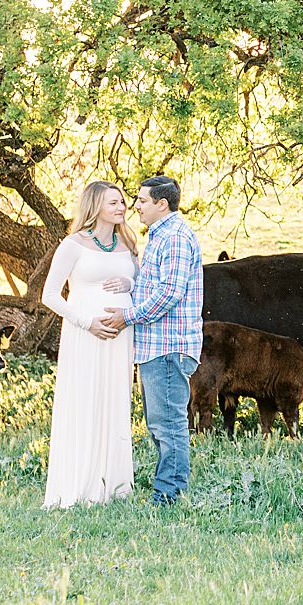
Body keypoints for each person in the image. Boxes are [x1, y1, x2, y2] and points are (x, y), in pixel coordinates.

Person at [92, 174, 203, 505]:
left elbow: (170, 292)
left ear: (161, 204)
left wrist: (127, 317)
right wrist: (131, 286)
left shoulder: (176, 238)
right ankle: (167, 490)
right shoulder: (161, 235)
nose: (134, 206)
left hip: (169, 346)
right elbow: (157, 283)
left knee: (168, 426)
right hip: (157, 347)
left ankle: (167, 496)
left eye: (141, 200)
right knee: (159, 425)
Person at [39, 182, 138, 508]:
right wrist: (87, 322)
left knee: (115, 402)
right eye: (113, 202)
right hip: (85, 337)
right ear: (95, 206)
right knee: (86, 403)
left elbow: (139, 283)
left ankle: (115, 486)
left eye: (122, 202)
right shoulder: (73, 245)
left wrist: (130, 282)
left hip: (119, 338)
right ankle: (80, 485)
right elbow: (50, 295)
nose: (121, 207)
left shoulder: (128, 242)